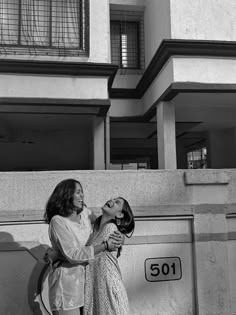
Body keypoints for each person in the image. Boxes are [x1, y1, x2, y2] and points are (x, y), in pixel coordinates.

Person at [44, 179, 123, 315]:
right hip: (67, 289)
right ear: (66, 194)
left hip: (88, 287)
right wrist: (104, 246)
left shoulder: (85, 213)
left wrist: (120, 237)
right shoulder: (58, 221)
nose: (82, 196)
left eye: (82, 192)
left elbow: (104, 227)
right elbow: (73, 255)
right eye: (78, 192)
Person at [84, 197, 135, 315]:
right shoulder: (95, 230)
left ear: (120, 214)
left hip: (109, 292)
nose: (111, 201)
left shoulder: (110, 228)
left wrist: (58, 254)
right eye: (112, 199)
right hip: (100, 291)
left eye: (117, 202)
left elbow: (85, 254)